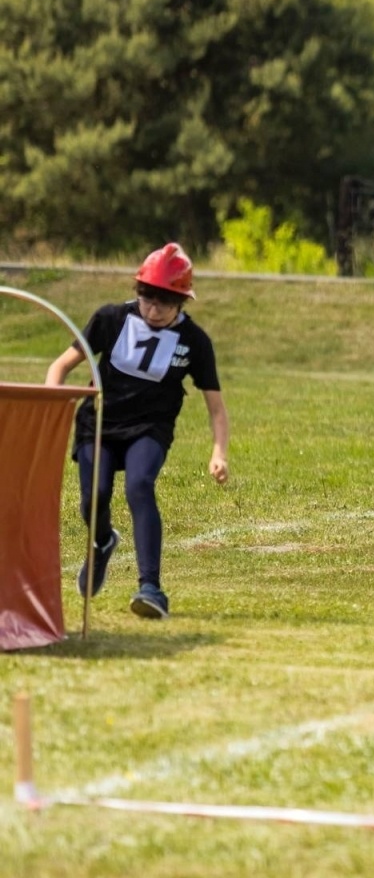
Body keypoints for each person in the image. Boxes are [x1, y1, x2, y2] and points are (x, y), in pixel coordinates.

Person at [44, 243, 230, 620]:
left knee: (139, 486)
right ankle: (102, 541)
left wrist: (218, 452)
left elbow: (216, 407)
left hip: (149, 428)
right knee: (94, 496)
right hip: (98, 424)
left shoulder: (195, 342)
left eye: (164, 301)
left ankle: (151, 589)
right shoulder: (110, 319)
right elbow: (61, 365)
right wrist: (51, 406)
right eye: (146, 298)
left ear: (182, 301)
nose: (153, 309)